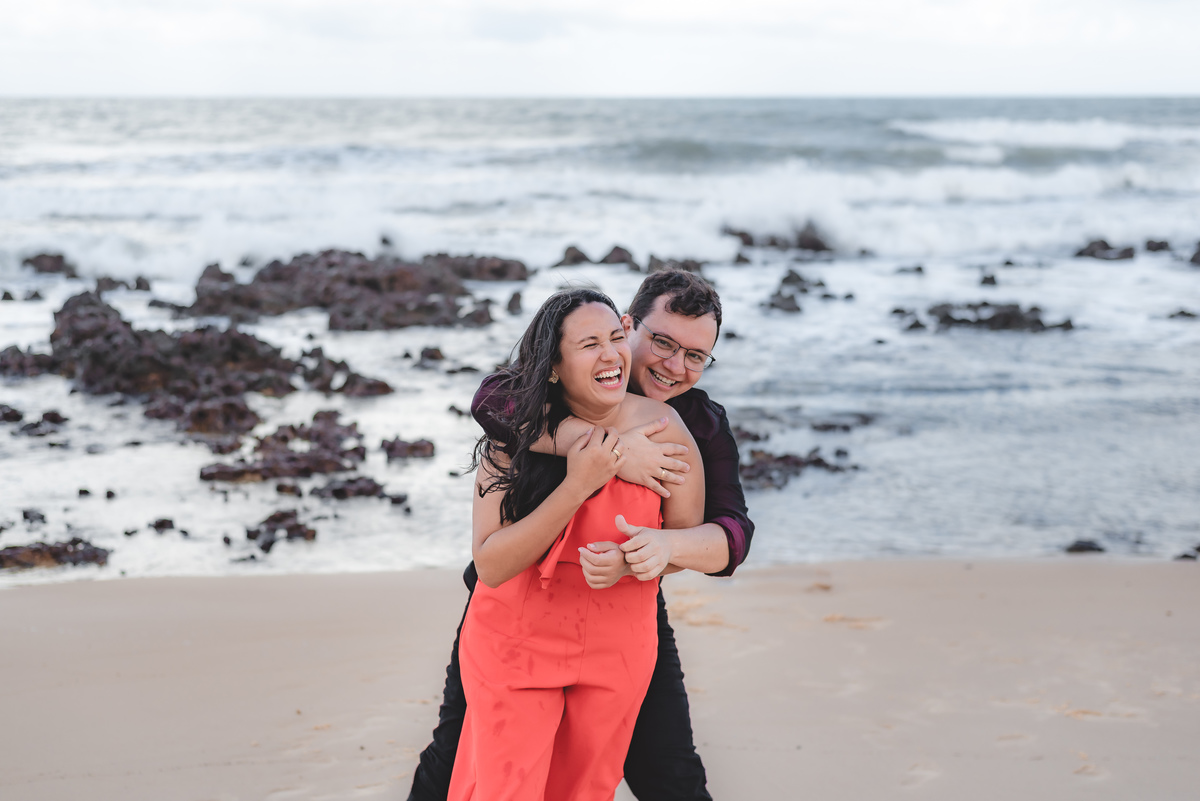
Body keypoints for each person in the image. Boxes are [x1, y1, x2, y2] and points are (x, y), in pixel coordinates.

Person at [410, 270, 755, 801]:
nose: (674, 365)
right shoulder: (531, 401)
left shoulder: (696, 424)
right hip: (512, 614)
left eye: (695, 356)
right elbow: (490, 401)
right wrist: (611, 449)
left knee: (668, 772)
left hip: (623, 609)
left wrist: (656, 551)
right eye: (663, 343)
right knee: (454, 759)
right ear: (631, 325)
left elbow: (730, 535)